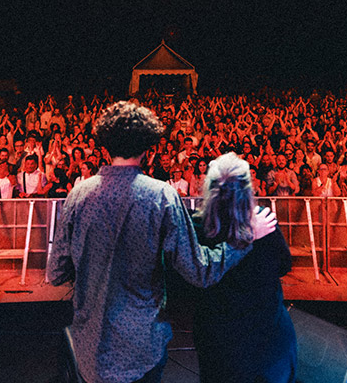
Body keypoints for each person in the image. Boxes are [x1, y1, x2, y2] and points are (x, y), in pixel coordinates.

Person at [46, 101, 277, 383]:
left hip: (89, 348)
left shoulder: (77, 195)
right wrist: (246, 237)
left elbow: (55, 273)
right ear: (147, 148)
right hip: (141, 348)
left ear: (105, 146)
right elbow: (201, 271)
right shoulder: (161, 196)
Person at [188, 153, 296, 383]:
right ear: (248, 190)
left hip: (217, 336)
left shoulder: (197, 226)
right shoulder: (263, 220)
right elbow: (284, 264)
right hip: (264, 333)